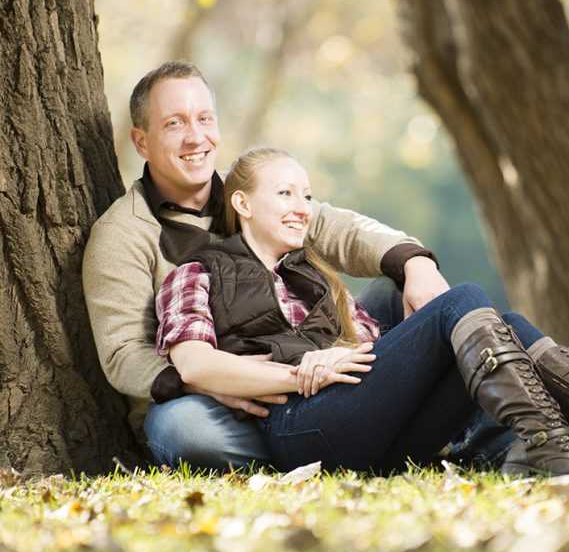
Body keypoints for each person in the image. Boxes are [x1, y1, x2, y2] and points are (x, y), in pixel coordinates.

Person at [154, 146, 569, 476]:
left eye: (307, 195)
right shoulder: (196, 274)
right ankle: (565, 443)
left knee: (489, 327)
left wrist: (361, 338)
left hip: (367, 425)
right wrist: (303, 372)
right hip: (299, 427)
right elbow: (196, 366)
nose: (302, 207)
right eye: (284, 194)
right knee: (465, 302)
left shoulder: (314, 278)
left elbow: (392, 353)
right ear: (241, 202)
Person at [81, 61, 454, 464]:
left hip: (306, 360)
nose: (196, 137)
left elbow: (342, 230)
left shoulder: (253, 192)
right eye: (174, 124)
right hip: (210, 400)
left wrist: (416, 263)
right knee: (183, 429)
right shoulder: (121, 234)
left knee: (396, 291)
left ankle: (353, 435)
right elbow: (122, 353)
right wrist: (204, 383)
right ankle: (327, 444)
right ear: (141, 142)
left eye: (204, 118)